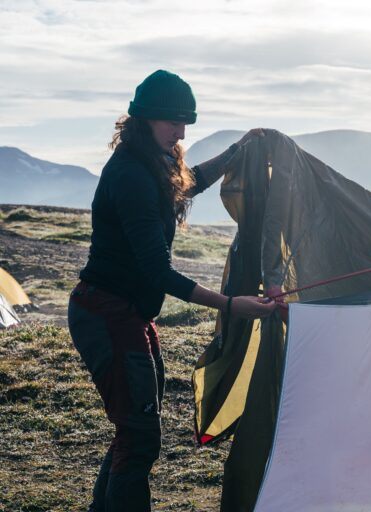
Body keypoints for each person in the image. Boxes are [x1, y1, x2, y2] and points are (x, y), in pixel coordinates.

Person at [67, 69, 275, 512]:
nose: (180, 132)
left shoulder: (153, 163)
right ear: (143, 118)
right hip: (108, 314)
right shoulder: (131, 175)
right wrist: (229, 305)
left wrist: (237, 152)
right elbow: (156, 270)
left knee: (134, 430)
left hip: (128, 314)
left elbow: (186, 184)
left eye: (185, 123)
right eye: (172, 122)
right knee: (139, 437)